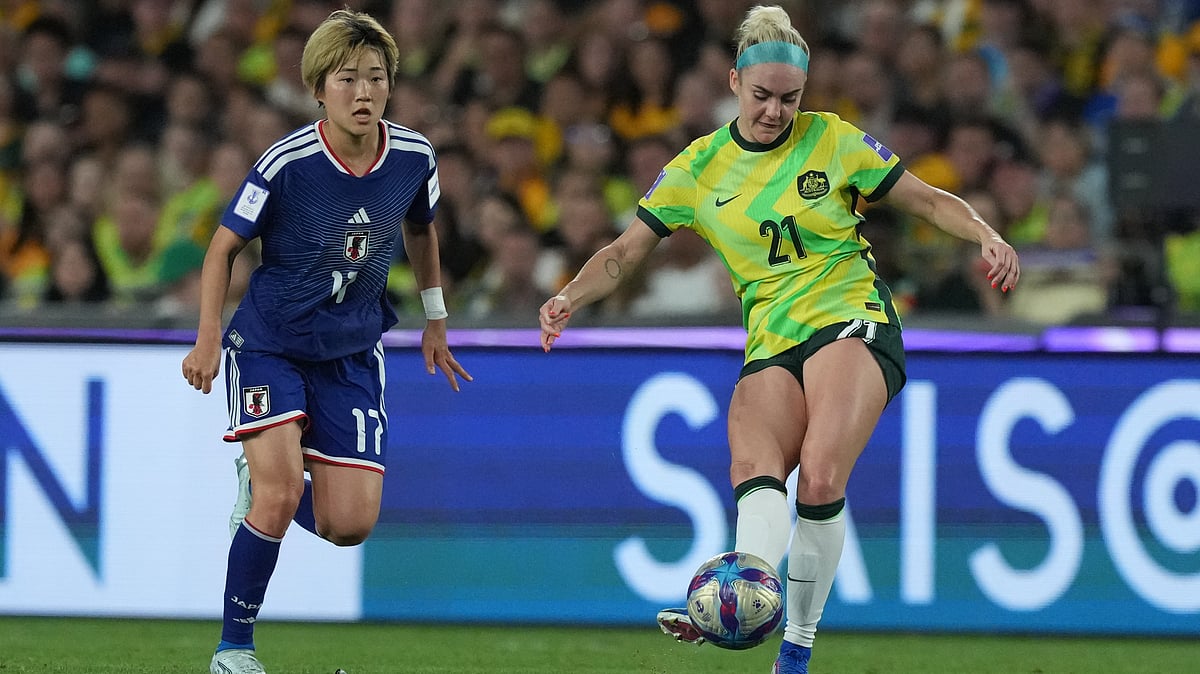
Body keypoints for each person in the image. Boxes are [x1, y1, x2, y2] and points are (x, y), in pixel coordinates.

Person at [537, 6, 1019, 674]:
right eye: (762, 95)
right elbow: (625, 251)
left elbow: (930, 200)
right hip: (770, 337)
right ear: (734, 82)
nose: (774, 112)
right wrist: (569, 296)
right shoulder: (697, 168)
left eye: (789, 99)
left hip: (849, 314)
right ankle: (738, 603)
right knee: (754, 471)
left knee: (819, 477)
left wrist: (985, 234)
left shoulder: (833, 139)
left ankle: (795, 649)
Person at [180, 10, 471, 674]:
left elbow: (421, 229)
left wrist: (435, 318)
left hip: (351, 349)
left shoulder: (414, 157)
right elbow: (222, 249)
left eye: (376, 77)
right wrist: (207, 337)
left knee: (349, 525)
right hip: (271, 344)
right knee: (280, 493)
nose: (364, 92)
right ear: (318, 89)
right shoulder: (288, 163)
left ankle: (258, 485)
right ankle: (234, 650)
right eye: (347, 79)